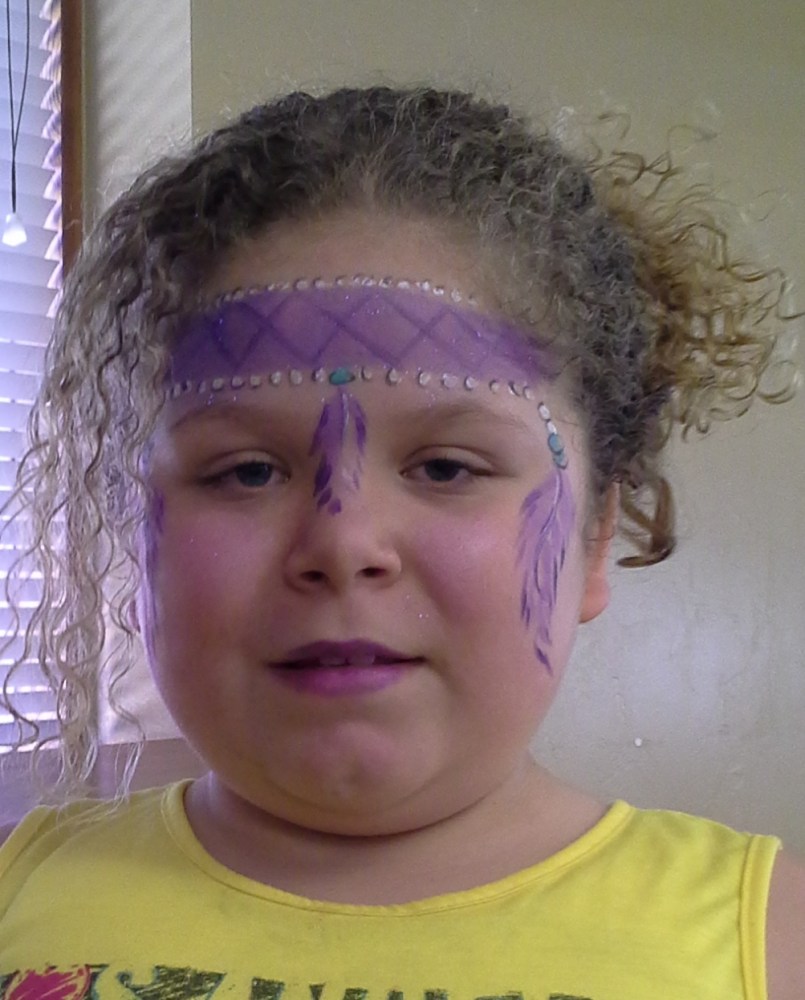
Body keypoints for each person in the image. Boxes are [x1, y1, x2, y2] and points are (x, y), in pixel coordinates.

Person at [0, 86, 803, 998]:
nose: (343, 544)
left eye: (447, 467)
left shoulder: (767, 943)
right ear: (136, 533)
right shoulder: (21, 894)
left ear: (593, 541)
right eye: (246, 472)